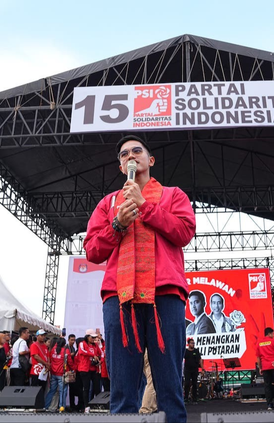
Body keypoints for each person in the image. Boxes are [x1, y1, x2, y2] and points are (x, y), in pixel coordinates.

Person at [84, 134, 196, 423]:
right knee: (122, 390)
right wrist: (117, 224)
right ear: (121, 167)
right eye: (124, 155)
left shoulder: (173, 196)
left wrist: (145, 206)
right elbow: (93, 251)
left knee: (169, 385)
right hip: (120, 299)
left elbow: (184, 232)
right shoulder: (108, 204)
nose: (130, 156)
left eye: (137, 151)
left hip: (165, 296)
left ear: (150, 160)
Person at [45, 337, 74, 412]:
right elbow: (70, 362)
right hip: (62, 374)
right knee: (62, 391)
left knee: (52, 391)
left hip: (53, 373)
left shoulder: (52, 350)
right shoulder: (66, 351)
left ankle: (46, 406)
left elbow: (50, 359)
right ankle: (61, 407)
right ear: (64, 344)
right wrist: (73, 369)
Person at [256, 327, 274, 410]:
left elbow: (258, 358)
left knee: (267, 386)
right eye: (272, 334)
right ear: (270, 333)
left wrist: (260, 368)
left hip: (265, 367)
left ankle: (269, 404)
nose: (273, 335)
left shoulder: (259, 343)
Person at [77, 332, 101, 413]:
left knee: (97, 388)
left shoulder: (95, 345)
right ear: (87, 337)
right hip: (84, 369)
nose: (93, 339)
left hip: (94, 369)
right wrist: (92, 355)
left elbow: (101, 354)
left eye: (94, 337)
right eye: (92, 337)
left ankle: (98, 405)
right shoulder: (82, 343)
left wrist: (99, 361)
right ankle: (86, 406)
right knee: (86, 388)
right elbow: (81, 351)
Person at [184, 338, 202, 404]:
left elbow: (200, 359)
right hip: (187, 370)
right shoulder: (186, 351)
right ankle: (186, 398)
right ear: (188, 344)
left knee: (195, 384)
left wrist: (202, 368)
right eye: (191, 343)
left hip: (195, 369)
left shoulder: (196, 351)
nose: (193, 344)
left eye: (193, 343)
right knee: (187, 383)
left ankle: (194, 398)